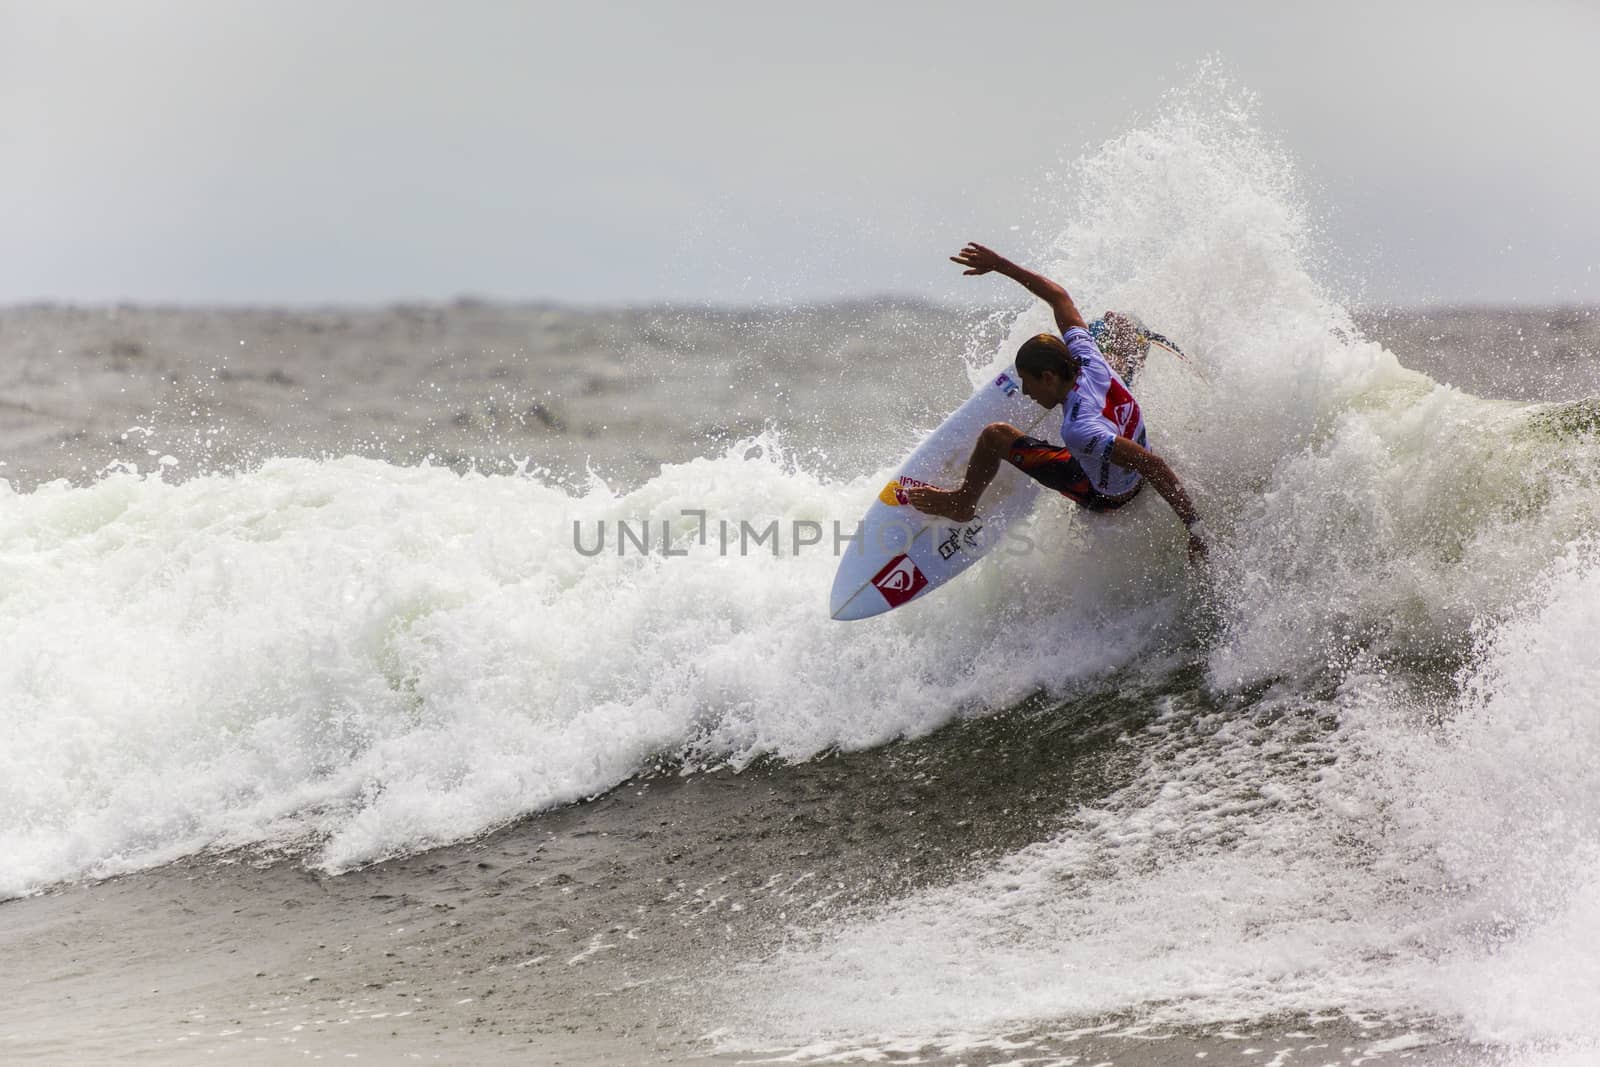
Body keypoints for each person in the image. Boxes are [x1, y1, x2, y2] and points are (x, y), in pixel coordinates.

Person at [906, 242, 1208, 562]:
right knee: (1113, 347)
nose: (1024, 391)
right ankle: (1130, 349)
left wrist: (1194, 529)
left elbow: (1152, 465)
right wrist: (1000, 265)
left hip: (1105, 494)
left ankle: (962, 502)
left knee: (995, 435)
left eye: (1028, 381)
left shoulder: (1080, 429)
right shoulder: (1088, 358)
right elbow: (1059, 297)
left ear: (1049, 377)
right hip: (1114, 436)